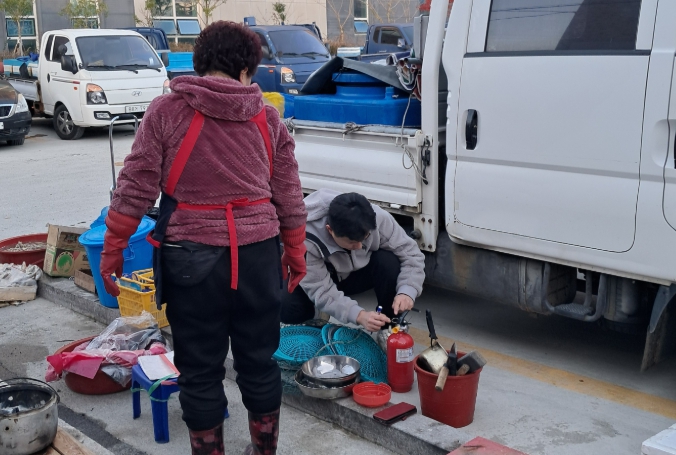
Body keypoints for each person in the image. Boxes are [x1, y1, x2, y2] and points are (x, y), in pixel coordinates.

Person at [98, 21, 307, 455]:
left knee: (199, 370)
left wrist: (114, 246)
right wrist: (295, 250)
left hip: (190, 262)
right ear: (246, 69)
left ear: (200, 63)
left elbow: (135, 185)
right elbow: (289, 193)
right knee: (259, 363)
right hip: (257, 258)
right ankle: (263, 450)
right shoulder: (267, 117)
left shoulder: (166, 111)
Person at [281, 189, 425, 332]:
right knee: (286, 306)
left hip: (354, 274)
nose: (359, 246)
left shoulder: (378, 218)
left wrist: (407, 291)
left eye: (365, 238)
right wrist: (359, 316)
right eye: (352, 242)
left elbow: (412, 255)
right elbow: (322, 290)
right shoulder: (303, 237)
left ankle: (389, 326)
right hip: (322, 276)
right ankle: (316, 313)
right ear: (330, 230)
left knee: (389, 262)